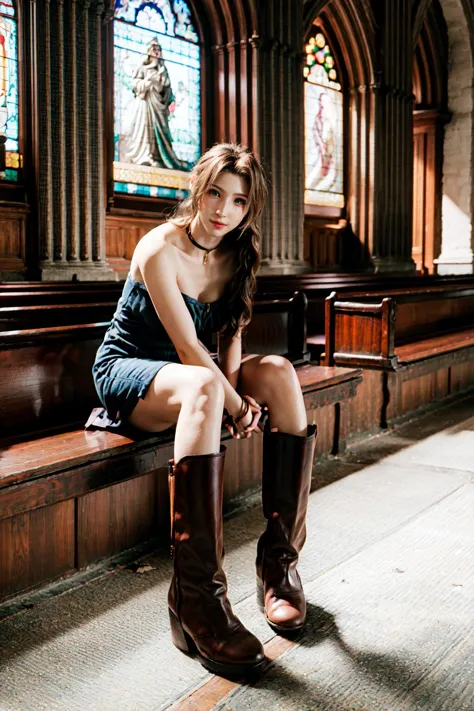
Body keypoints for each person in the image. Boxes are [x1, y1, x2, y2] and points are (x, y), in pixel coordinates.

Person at [89, 143, 316, 678]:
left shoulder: (237, 252)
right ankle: (198, 599)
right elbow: (191, 350)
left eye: (238, 201)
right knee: (204, 387)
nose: (223, 210)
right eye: (215, 192)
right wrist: (234, 406)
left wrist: (235, 394)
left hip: (198, 382)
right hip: (134, 372)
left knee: (281, 374)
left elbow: (229, 336)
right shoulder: (158, 248)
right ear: (197, 189)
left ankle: (279, 565)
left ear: (248, 209)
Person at [125, 39, 188, 170]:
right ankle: (145, 157)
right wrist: (148, 82)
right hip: (146, 104)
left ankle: (159, 158)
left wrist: (171, 101)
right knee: (146, 130)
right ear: (149, 51)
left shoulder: (163, 69)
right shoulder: (142, 67)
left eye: (159, 49)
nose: (157, 52)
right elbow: (135, 85)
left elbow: (168, 90)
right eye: (154, 49)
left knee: (161, 132)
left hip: (160, 107)